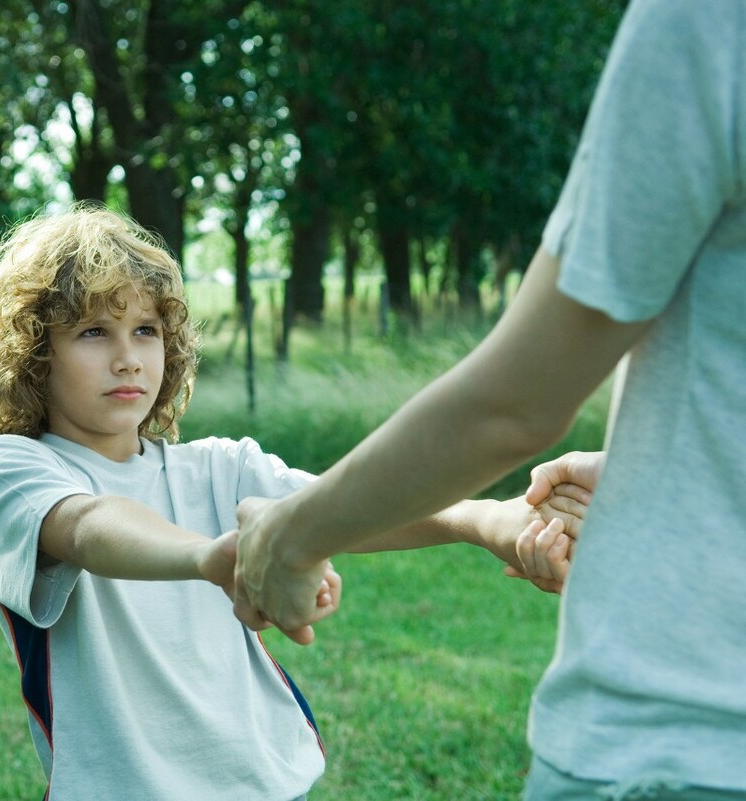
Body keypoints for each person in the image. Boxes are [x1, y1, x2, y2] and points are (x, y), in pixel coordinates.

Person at [231, 1, 746, 798]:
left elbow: (514, 403)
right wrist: (661, 470)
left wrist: (285, 540)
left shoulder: (705, 22)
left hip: (685, 743)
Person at [0, 204, 583, 801]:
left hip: (270, 783)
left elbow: (347, 507)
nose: (127, 358)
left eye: (145, 330)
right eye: (94, 332)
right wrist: (220, 557)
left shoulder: (221, 466)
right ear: (35, 356)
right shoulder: (15, 466)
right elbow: (92, 525)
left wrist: (487, 519)